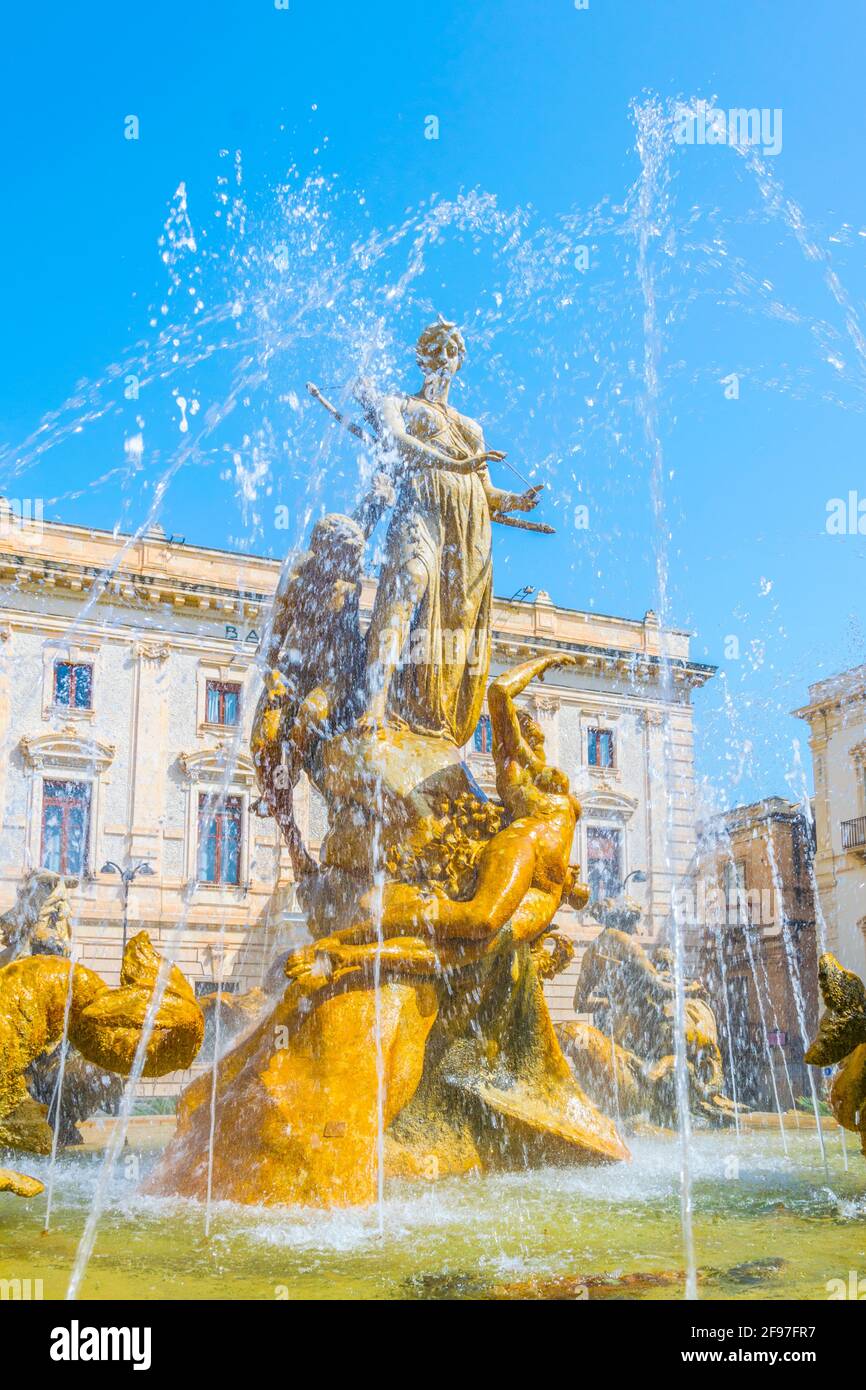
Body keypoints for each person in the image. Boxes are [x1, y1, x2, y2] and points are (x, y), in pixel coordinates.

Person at [359, 317, 541, 745]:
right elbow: (398, 442)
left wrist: (517, 501)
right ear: (422, 357)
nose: (443, 357)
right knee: (407, 585)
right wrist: (453, 464)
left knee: (454, 623)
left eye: (451, 351)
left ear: (459, 361)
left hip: (468, 530)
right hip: (420, 509)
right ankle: (375, 702)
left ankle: (431, 711)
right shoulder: (399, 403)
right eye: (435, 349)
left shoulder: (472, 428)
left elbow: (486, 491)